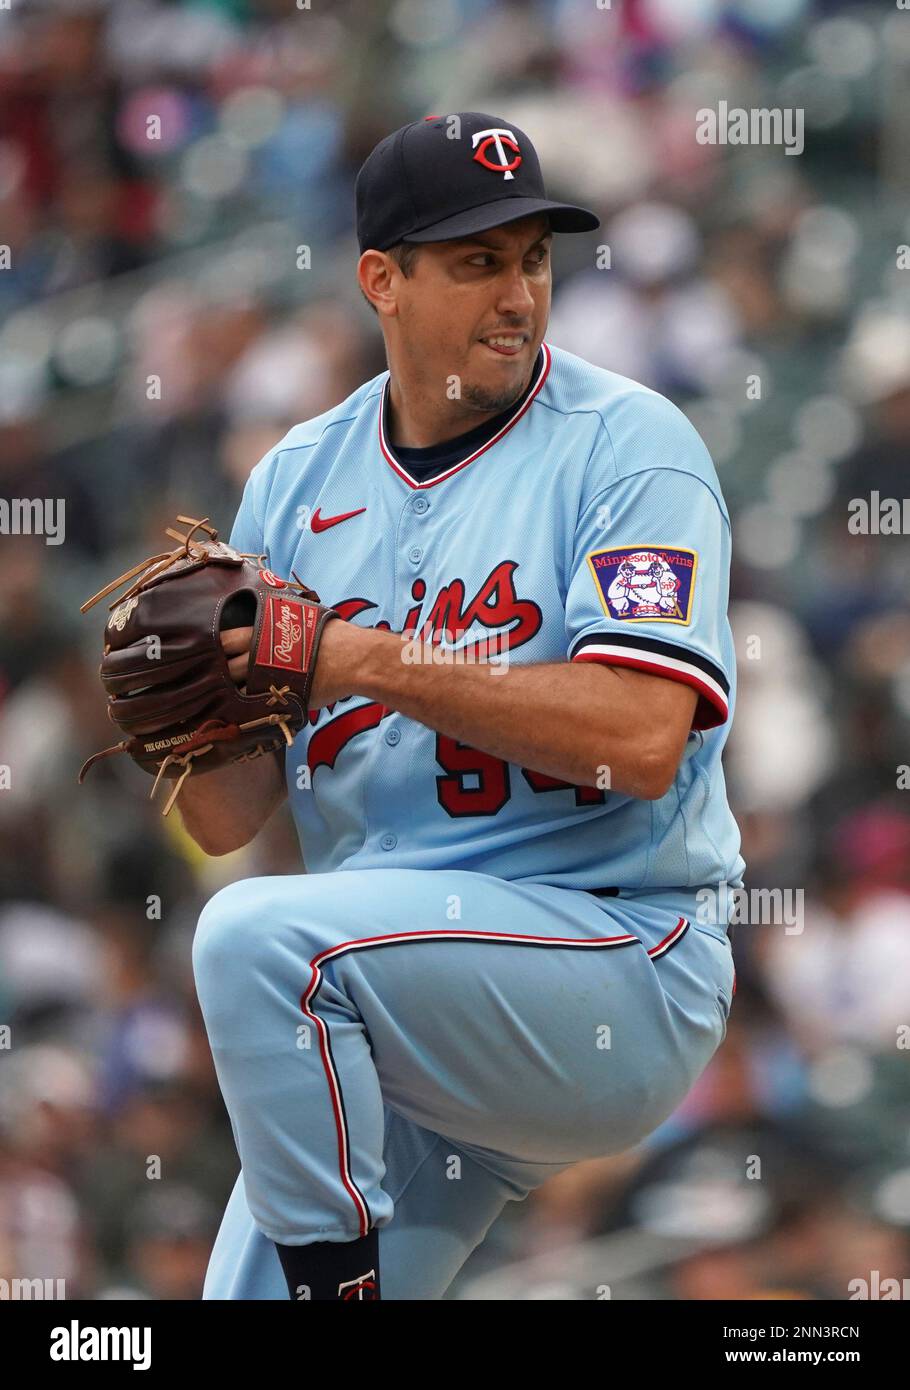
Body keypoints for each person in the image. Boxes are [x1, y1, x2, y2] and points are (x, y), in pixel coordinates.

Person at [183, 112, 742, 1301]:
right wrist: (180, 726)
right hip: (401, 1017)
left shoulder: (626, 444)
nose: (520, 296)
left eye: (534, 257)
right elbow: (225, 818)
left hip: (613, 957)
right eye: (478, 261)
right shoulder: (295, 482)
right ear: (380, 281)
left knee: (257, 940)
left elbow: (643, 741)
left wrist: (366, 661)